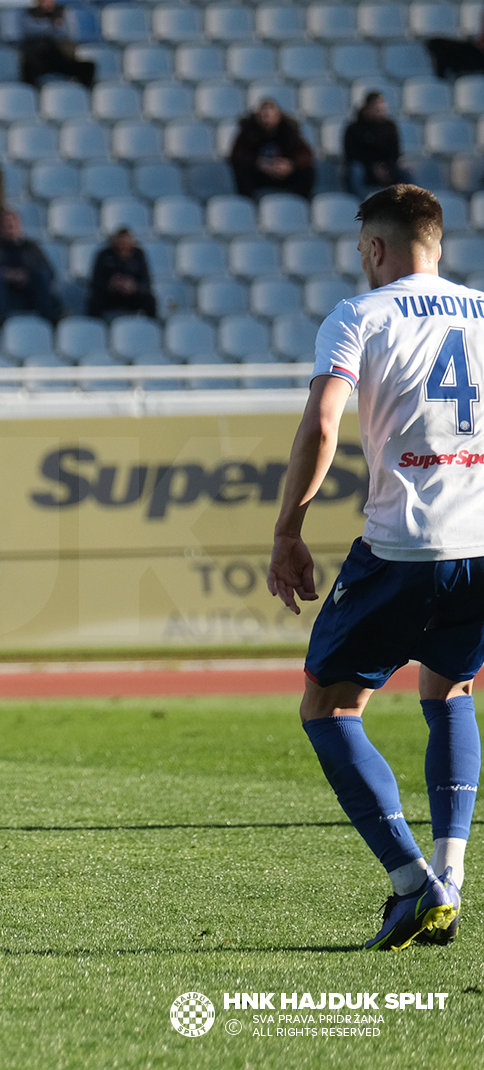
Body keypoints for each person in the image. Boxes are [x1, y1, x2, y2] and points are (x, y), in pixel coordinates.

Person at [266, 184, 474, 951]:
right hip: (479, 546)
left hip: (402, 547)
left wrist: (288, 527)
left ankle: (412, 881)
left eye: (363, 253)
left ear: (378, 249)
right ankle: (453, 877)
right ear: (439, 245)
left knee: (327, 706)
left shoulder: (361, 315)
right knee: (451, 690)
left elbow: (323, 423)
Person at [0, 209, 62, 323]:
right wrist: (6, 275)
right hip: (1, 295)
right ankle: (1, 320)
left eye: (12, 224)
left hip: (29, 294)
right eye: (6, 224)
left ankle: (48, 319)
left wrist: (26, 275)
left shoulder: (31, 248)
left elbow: (49, 273)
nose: (10, 227)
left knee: (41, 273)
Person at [230, 98, 316, 201]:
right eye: (263, 115)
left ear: (278, 115)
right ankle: (247, 203)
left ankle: (300, 202)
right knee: (241, 171)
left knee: (308, 171)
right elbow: (237, 154)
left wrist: (290, 164)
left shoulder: (289, 130)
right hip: (259, 174)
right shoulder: (248, 131)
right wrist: (258, 163)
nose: (266, 119)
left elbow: (305, 154)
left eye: (270, 115)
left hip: (284, 174)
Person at [342, 93, 411, 199]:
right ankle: (359, 203)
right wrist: (372, 167)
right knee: (355, 170)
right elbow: (351, 154)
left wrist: (385, 167)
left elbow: (394, 152)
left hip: (386, 166)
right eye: (376, 108)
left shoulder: (390, 127)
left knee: (406, 174)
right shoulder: (354, 128)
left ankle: (408, 204)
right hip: (365, 167)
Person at [20, 0, 96, 88]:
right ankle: (30, 92)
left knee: (88, 67)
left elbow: (68, 34)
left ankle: (82, 92)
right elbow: (30, 31)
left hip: (59, 57)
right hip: (40, 58)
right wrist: (50, 27)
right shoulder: (27, 14)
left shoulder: (63, 13)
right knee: (29, 66)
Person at [86, 227, 156, 320]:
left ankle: (152, 326)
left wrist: (134, 286)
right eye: (120, 244)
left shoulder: (138, 255)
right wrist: (111, 284)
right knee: (93, 301)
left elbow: (146, 281)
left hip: (132, 295)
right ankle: (95, 328)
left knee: (150, 300)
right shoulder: (104, 255)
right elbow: (95, 281)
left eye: (126, 243)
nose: (123, 247)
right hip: (110, 295)